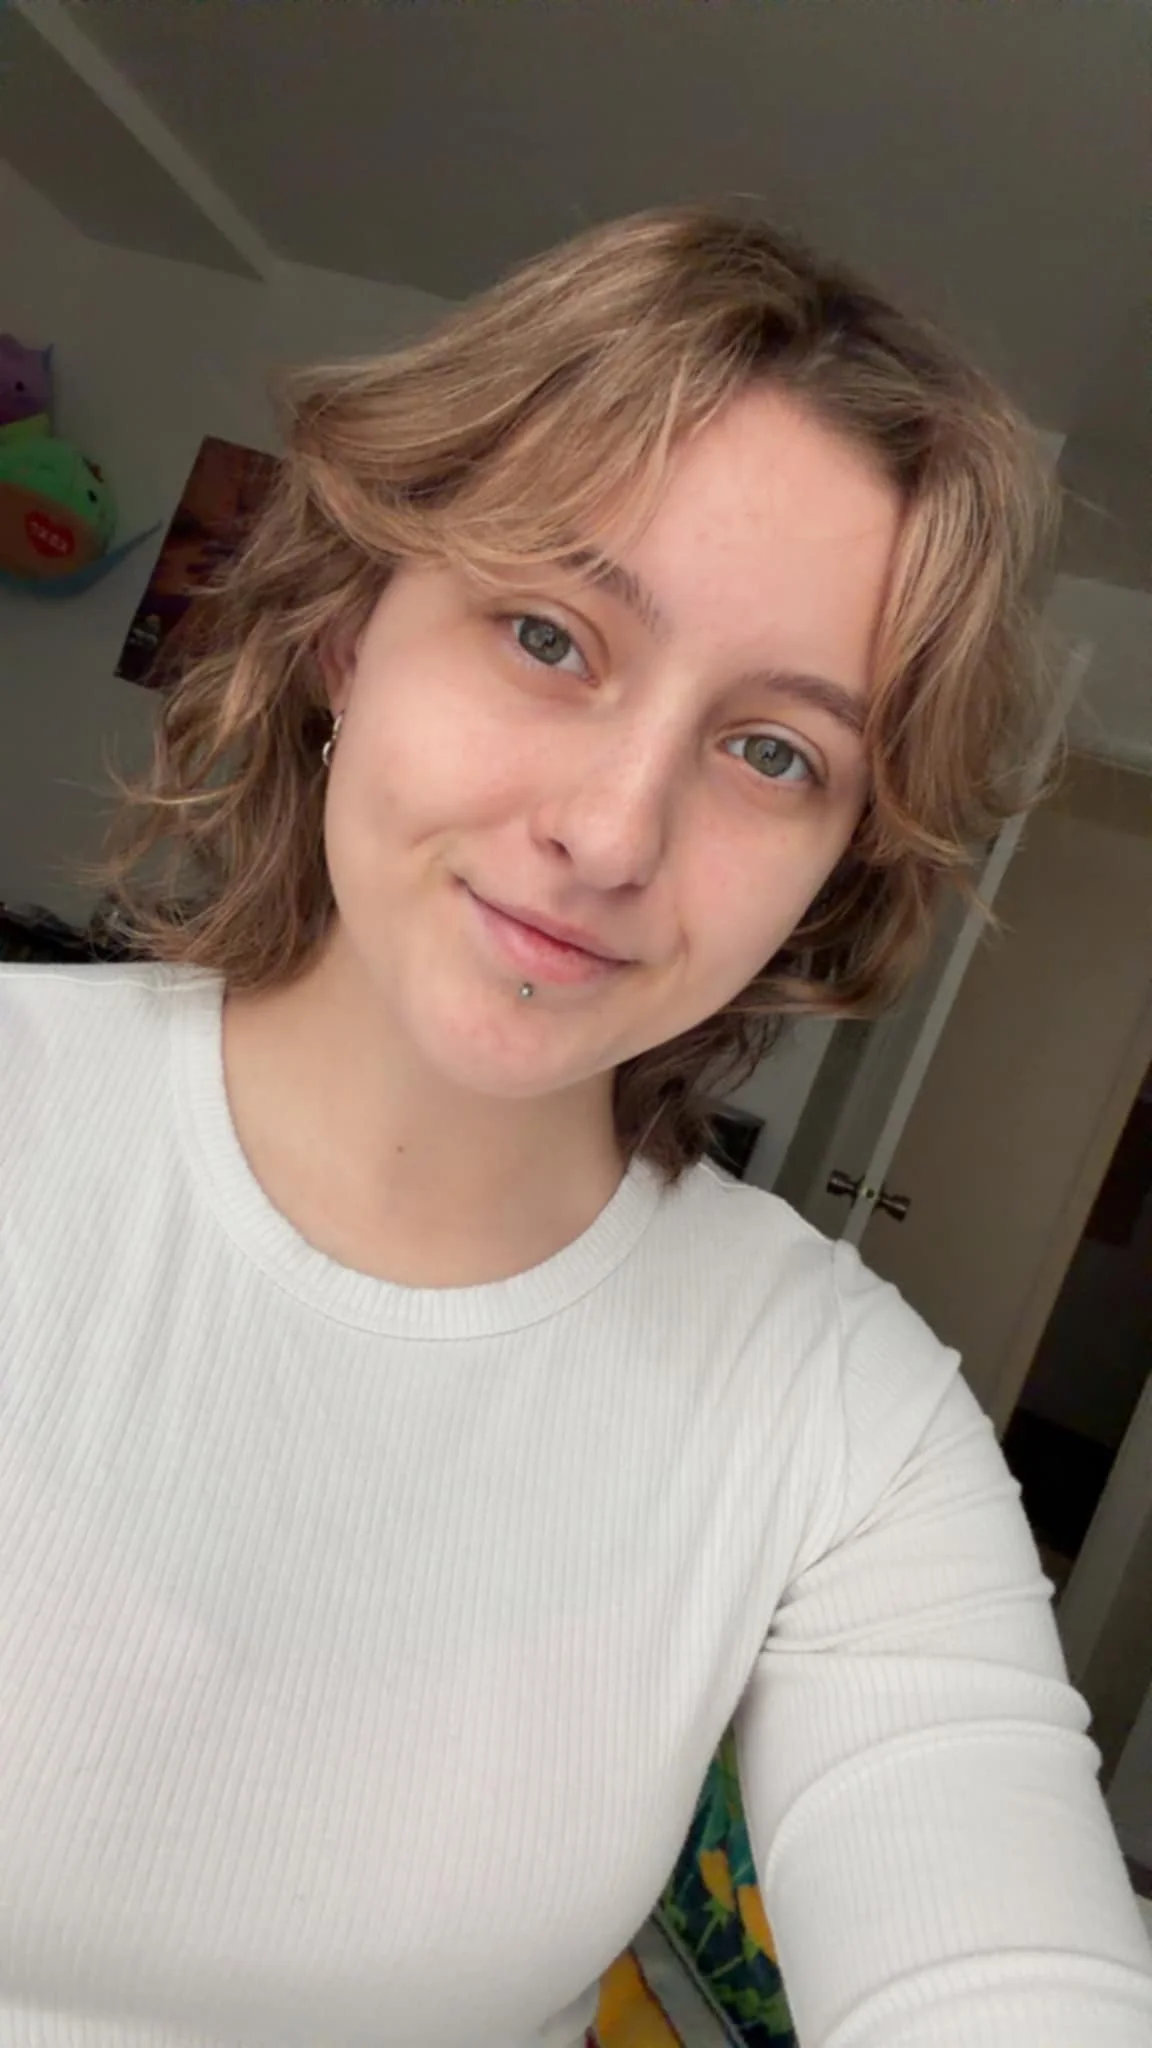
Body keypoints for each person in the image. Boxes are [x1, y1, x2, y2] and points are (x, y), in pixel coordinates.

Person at [2, 208, 1149, 2048]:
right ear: (350, 634)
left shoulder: (842, 1421)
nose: (615, 833)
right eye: (549, 631)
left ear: (832, 871)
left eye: (775, 751)